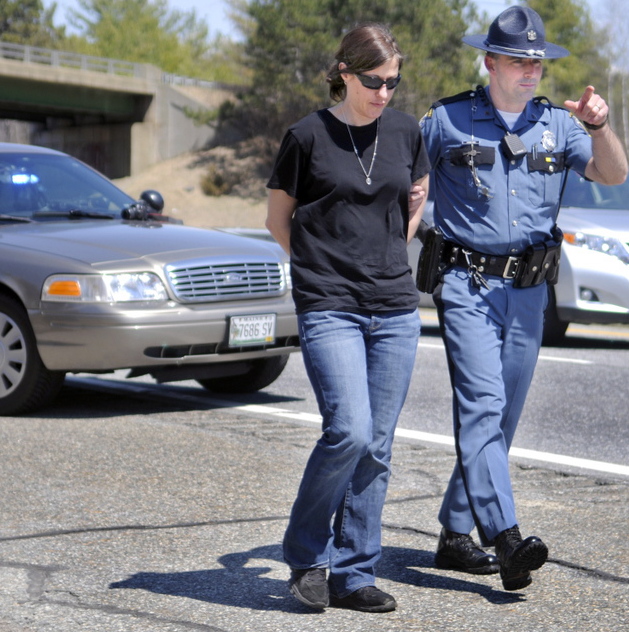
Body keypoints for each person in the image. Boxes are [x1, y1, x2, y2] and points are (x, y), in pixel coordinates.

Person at [418, 6, 628, 592]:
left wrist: (600, 126)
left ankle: (455, 533)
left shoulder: (561, 126)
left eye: (537, 60)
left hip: (531, 291)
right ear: (489, 61)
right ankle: (506, 538)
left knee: (503, 413)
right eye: (517, 59)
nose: (530, 70)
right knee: (482, 404)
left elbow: (614, 174)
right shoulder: (447, 120)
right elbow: (402, 182)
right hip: (468, 285)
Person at [266, 23, 430, 612]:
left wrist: (385, 254)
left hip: (393, 307)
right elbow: (277, 219)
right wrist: (320, 270)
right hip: (329, 304)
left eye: (392, 82)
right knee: (349, 431)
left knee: (378, 446)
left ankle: (355, 572)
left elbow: (415, 192)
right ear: (344, 72)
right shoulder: (307, 135)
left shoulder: (408, 131)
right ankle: (307, 557)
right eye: (373, 81)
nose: (384, 92)